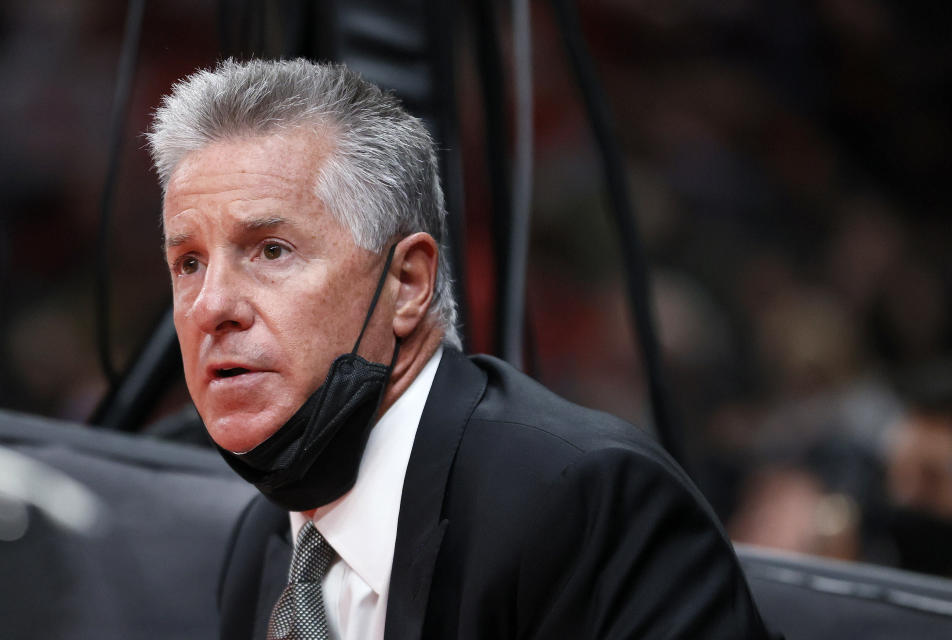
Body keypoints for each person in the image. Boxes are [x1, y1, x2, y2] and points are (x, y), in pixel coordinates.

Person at [148, 58, 771, 640]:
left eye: (271, 251)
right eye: (189, 262)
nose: (209, 307)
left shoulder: (584, 499)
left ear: (408, 284)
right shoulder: (263, 543)